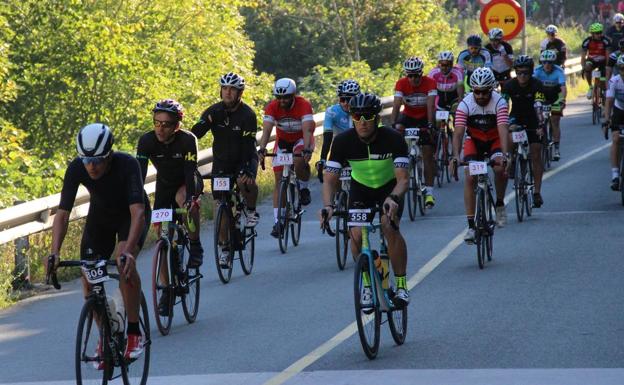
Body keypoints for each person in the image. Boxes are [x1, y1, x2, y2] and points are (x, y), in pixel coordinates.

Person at [48, 123, 150, 363]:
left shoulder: (127, 165)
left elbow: (138, 213)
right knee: (88, 274)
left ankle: (134, 333)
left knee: (123, 261)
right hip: (100, 219)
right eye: (86, 160)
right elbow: (62, 214)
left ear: (109, 155)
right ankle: (106, 334)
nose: (91, 166)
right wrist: (54, 252)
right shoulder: (77, 167)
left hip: (130, 216)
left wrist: (130, 252)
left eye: (97, 160)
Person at [320, 92, 410, 306]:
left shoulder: (393, 139)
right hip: (361, 189)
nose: (362, 122)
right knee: (357, 235)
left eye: (367, 117)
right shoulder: (343, 141)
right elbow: (330, 180)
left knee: (389, 227)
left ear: (377, 119)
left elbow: (403, 180)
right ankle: (368, 284)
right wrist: (328, 206)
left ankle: (401, 285)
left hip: (390, 189)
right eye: (357, 117)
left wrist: (394, 198)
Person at [137, 99, 204, 271]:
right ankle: (166, 289)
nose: (160, 128)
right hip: (164, 186)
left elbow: (190, 171)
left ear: (176, 126)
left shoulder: (187, 140)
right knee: (163, 240)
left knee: (184, 200)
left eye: (166, 124)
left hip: (187, 181)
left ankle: (195, 245)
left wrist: (190, 199)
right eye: (157, 123)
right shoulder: (146, 141)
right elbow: (139, 175)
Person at [450, 68, 510, 242]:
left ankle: (499, 204)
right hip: (474, 140)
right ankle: (470, 226)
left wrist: (505, 154)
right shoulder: (465, 104)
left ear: (492, 89)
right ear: (472, 90)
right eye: (477, 91)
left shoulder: (500, 103)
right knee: (469, 176)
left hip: (495, 140)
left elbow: (503, 129)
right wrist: (455, 156)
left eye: (485, 92)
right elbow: (459, 133)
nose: (482, 96)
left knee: (499, 168)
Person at [258, 78, 315, 237]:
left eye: (286, 97)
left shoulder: (303, 105)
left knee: (298, 160)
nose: (282, 101)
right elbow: (267, 131)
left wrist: (307, 150)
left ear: (293, 95)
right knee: (278, 179)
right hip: (282, 141)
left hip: (301, 139)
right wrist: (262, 148)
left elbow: (307, 131)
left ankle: (303, 187)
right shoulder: (272, 107)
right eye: (279, 97)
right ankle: (278, 222)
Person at [391, 56, 438, 208]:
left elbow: (431, 106)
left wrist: (430, 124)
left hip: (425, 117)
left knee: (427, 154)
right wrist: (393, 124)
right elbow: (397, 105)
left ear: (421, 73)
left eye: (416, 75)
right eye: (409, 75)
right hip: (408, 117)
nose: (413, 79)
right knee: (397, 134)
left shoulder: (430, 82)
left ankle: (429, 193)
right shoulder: (401, 83)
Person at [502, 55, 547, 208]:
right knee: (509, 136)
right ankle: (512, 159)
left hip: (534, 119)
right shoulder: (508, 85)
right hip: (516, 117)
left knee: (535, 153)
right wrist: (505, 124)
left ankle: (537, 192)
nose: (522, 76)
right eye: (519, 73)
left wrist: (541, 125)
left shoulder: (537, 85)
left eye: (526, 73)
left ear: (531, 72)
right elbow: (503, 106)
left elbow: (539, 106)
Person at [317, 79, 360, 180]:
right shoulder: (332, 112)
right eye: (342, 99)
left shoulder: (362, 110)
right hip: (340, 147)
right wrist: (322, 160)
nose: (345, 103)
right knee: (332, 179)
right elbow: (328, 138)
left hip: (359, 146)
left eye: (348, 99)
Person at [534, 50, 567, 161]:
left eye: (549, 62)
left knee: (555, 121)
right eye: (544, 62)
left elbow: (563, 88)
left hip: (555, 97)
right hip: (542, 96)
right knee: (538, 117)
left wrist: (562, 100)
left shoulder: (559, 71)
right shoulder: (537, 71)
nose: (547, 65)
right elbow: (532, 86)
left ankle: (557, 148)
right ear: (541, 62)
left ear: (554, 63)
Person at [603, 55, 624, 190]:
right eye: (622, 69)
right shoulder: (614, 81)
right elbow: (609, 102)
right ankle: (615, 175)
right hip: (619, 110)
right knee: (616, 139)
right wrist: (606, 120)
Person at [581, 23, 612, 99]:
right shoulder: (587, 41)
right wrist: (583, 67)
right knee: (587, 67)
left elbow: (608, 55)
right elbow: (583, 56)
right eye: (597, 33)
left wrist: (608, 66)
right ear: (592, 34)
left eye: (600, 32)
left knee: (603, 78)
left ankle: (604, 91)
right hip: (592, 60)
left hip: (603, 61)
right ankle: (590, 87)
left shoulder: (606, 41)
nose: (599, 35)